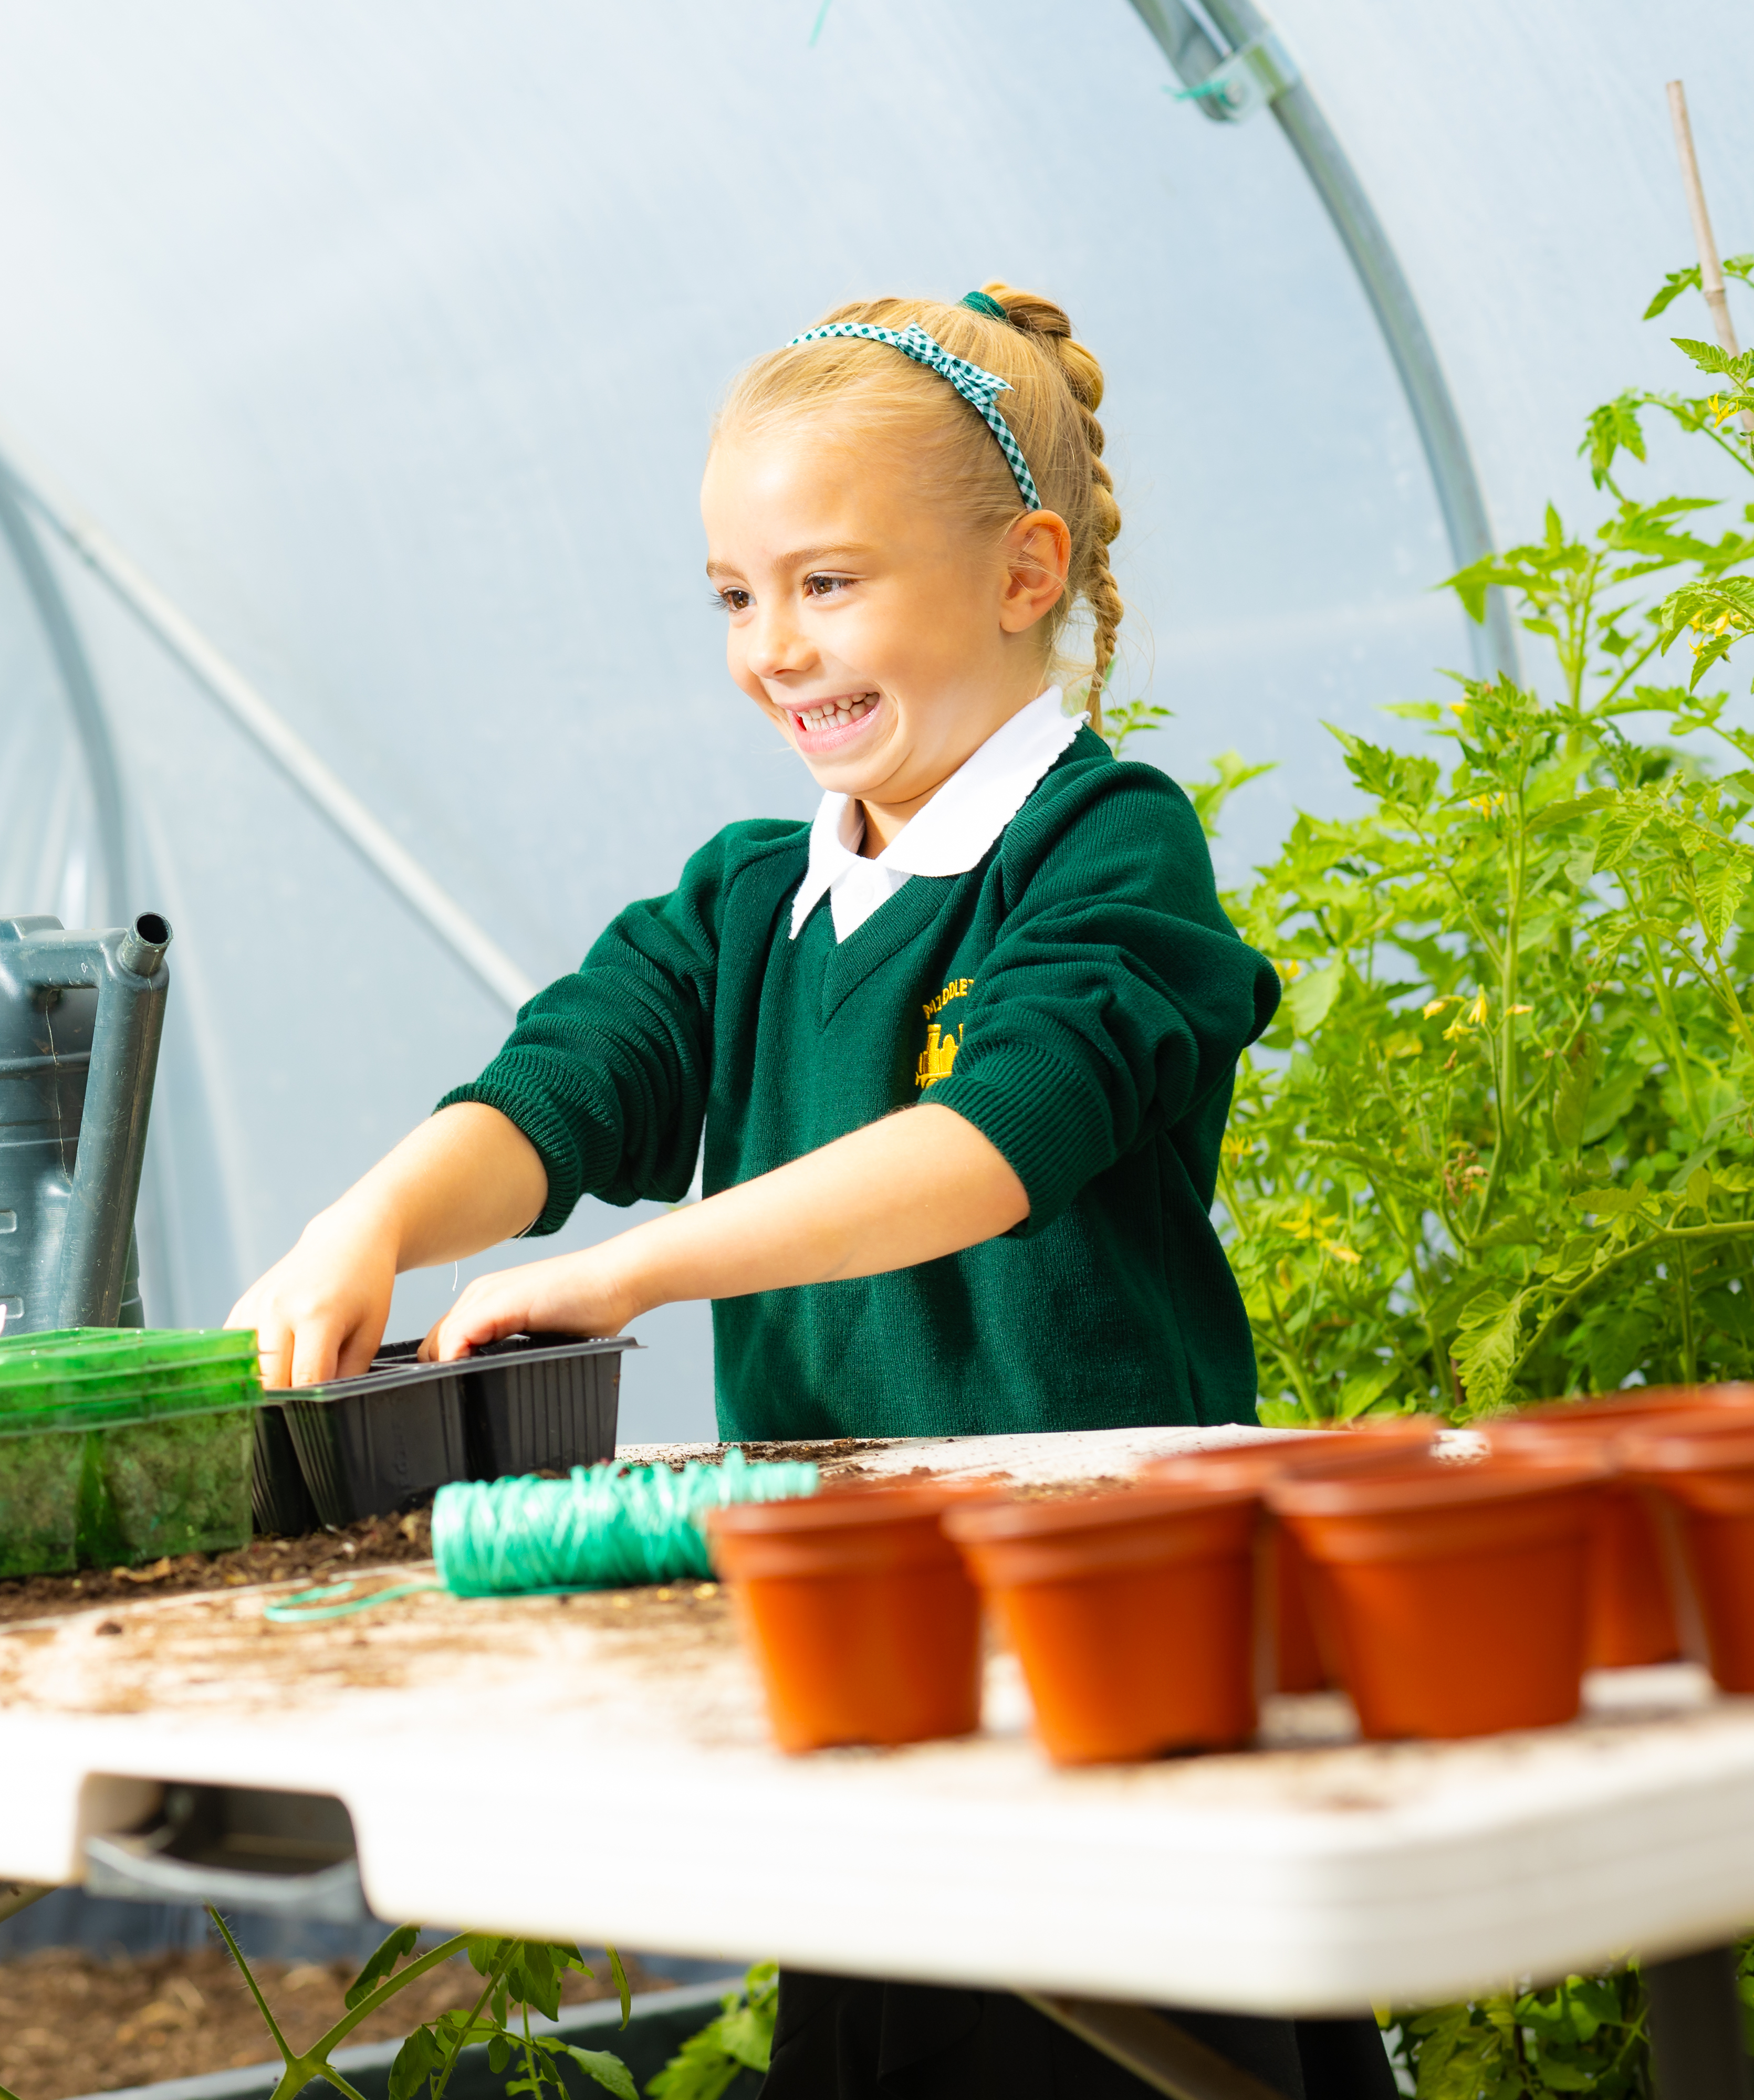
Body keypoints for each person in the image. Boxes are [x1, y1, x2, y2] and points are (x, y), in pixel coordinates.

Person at [229, 290, 1390, 2097]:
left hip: (1111, 1655)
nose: (773, 646)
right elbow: (564, 1086)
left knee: (1145, 2049)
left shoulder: (1106, 851)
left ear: (1026, 571)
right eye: (732, 595)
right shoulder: (749, 899)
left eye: (827, 583)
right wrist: (371, 1219)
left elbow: (994, 1145)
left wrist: (642, 1270)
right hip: (864, 1657)